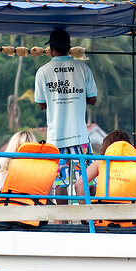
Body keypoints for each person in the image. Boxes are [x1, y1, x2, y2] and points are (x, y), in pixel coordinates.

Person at [34, 29, 97, 189]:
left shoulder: (42, 72)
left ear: (52, 49)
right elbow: (93, 99)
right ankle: (90, 213)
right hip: (80, 136)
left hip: (56, 139)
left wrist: (56, 98)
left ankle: (62, 215)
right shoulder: (83, 69)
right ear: (69, 48)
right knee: (88, 180)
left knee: (59, 183)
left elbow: (41, 104)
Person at [75, 129, 136, 199]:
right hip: (134, 212)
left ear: (107, 145)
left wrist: (86, 214)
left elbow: (79, 185)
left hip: (104, 213)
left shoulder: (100, 162)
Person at [0, 129, 37, 194]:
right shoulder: (45, 176)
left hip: (9, 204)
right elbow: (52, 200)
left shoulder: (2, 176)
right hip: (36, 204)